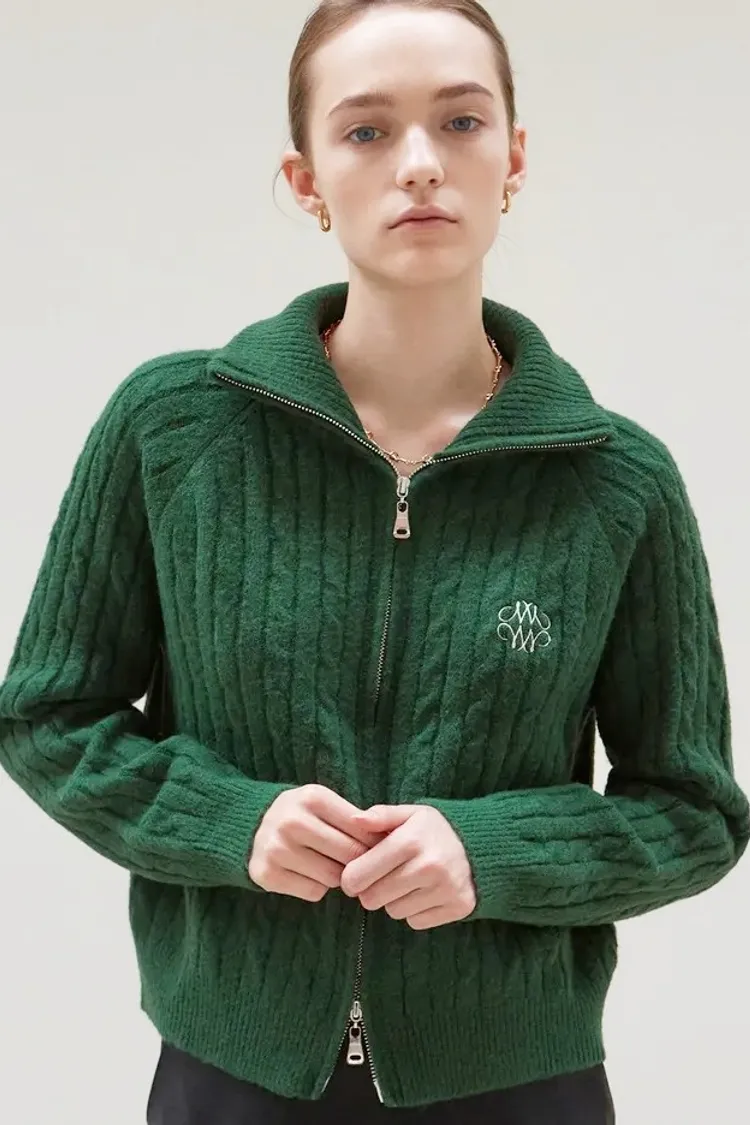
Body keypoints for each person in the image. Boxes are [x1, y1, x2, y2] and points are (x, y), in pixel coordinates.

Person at [1, 0, 747, 1121]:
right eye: (366, 130)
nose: (419, 163)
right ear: (306, 180)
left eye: (460, 121)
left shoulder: (616, 481)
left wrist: (490, 852)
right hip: (234, 1075)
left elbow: (693, 810)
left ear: (513, 159)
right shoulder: (173, 432)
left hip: (518, 1082)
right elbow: (48, 717)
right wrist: (234, 823)